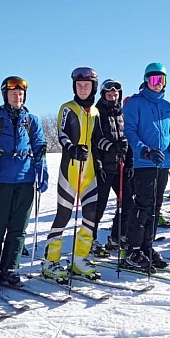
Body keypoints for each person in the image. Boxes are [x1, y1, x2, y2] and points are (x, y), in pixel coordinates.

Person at [0, 77, 47, 286]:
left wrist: (41, 170)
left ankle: (10, 268)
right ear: (5, 96)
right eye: (13, 94)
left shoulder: (32, 120)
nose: (17, 97)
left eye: (20, 94)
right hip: (3, 179)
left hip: (25, 179)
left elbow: (39, 147)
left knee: (19, 227)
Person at [122, 62, 170, 272]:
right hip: (144, 163)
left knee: (156, 208)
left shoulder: (168, 107)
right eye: (154, 80)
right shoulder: (136, 103)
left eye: (161, 80)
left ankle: (147, 247)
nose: (158, 84)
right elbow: (130, 131)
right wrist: (144, 150)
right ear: (146, 81)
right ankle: (132, 250)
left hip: (163, 163)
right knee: (143, 205)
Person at [43, 67, 100, 280]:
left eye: (87, 85)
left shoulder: (95, 112)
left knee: (91, 216)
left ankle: (79, 259)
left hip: (90, 171)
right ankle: (51, 260)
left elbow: (98, 139)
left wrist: (115, 147)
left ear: (93, 86)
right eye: (79, 85)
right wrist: (73, 148)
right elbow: (61, 134)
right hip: (70, 169)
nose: (83, 88)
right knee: (64, 215)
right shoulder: (67, 108)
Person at [92, 78, 134, 256]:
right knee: (98, 206)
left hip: (121, 165)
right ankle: (90, 239)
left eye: (115, 93)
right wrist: (110, 147)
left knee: (127, 203)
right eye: (109, 94)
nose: (112, 96)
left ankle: (118, 235)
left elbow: (128, 139)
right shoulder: (97, 112)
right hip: (103, 167)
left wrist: (130, 160)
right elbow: (95, 138)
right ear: (103, 95)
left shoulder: (122, 114)